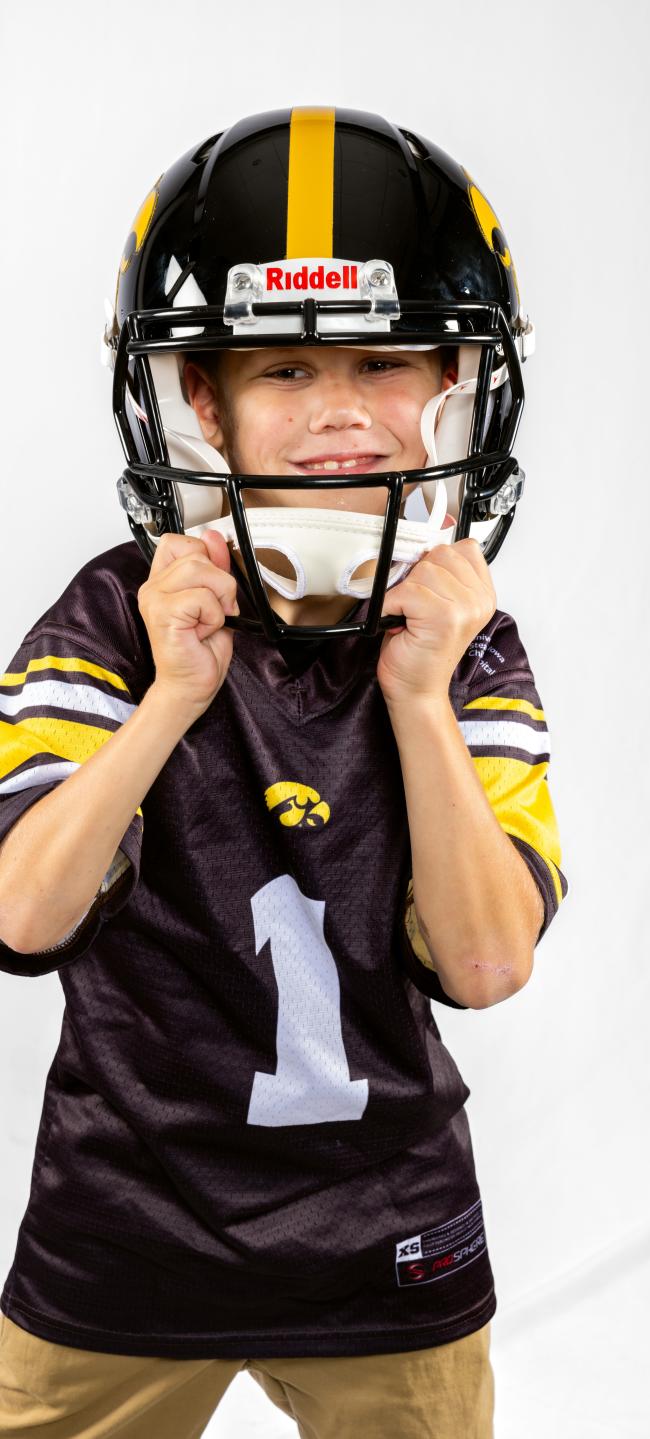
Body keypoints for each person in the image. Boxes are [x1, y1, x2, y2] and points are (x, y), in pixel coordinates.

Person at [0, 107, 567, 1438]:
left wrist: (420, 700)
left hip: (388, 1243)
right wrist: (172, 701)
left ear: (450, 387)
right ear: (202, 398)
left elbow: (485, 967)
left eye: (379, 363)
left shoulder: (467, 649)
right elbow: (23, 916)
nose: (339, 418)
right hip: (122, 1237)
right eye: (285, 372)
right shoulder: (109, 622)